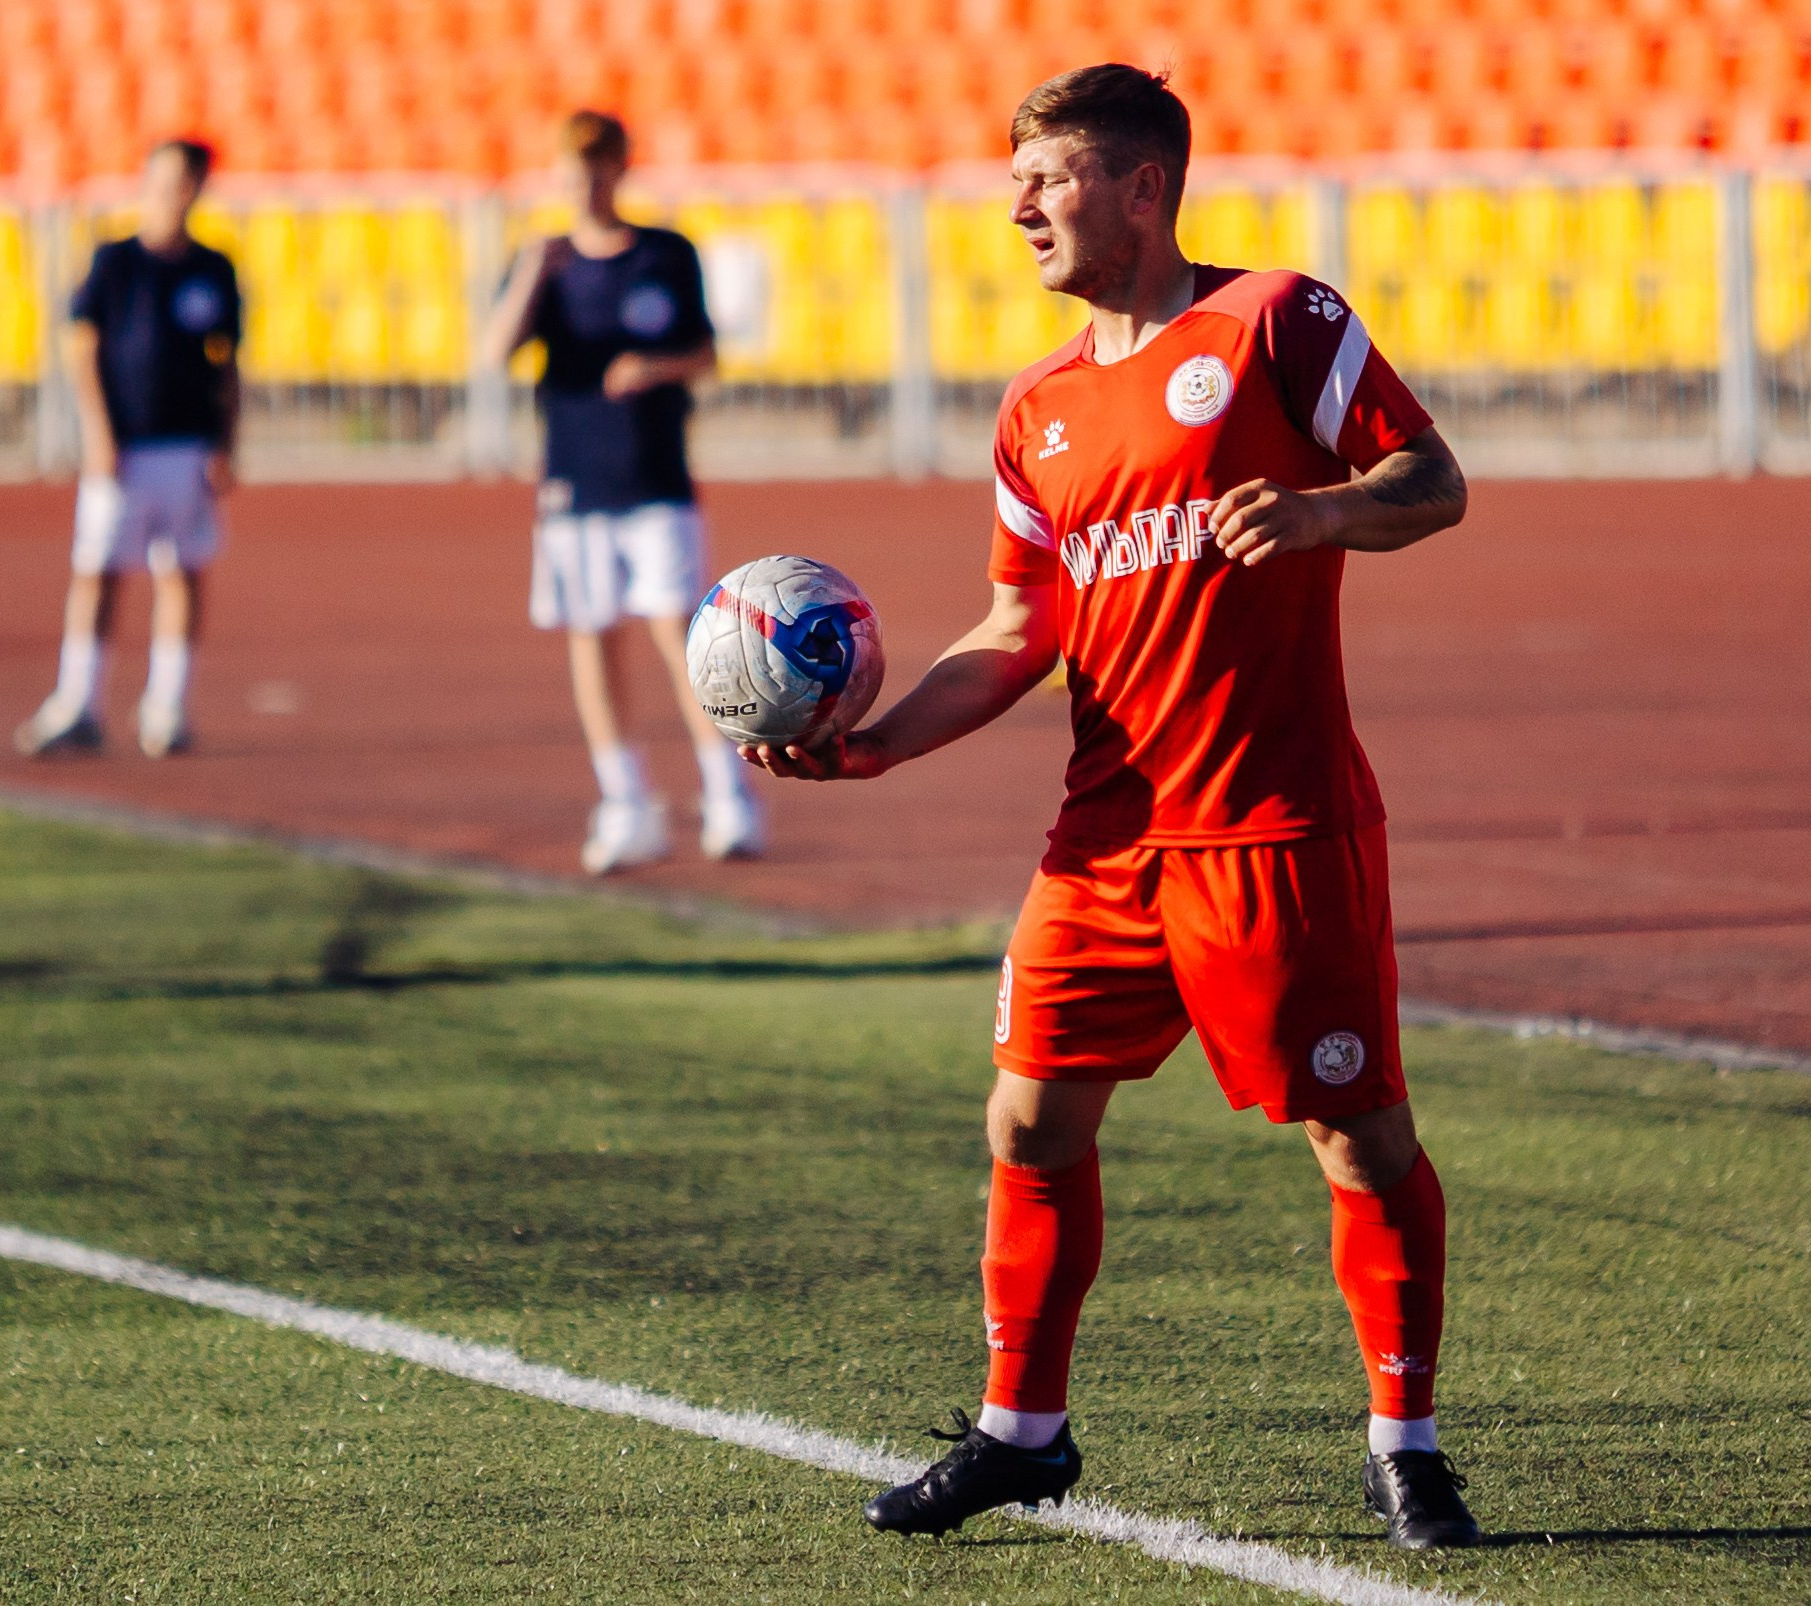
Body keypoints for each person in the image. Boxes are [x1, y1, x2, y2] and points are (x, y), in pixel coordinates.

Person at [749, 66, 1481, 1550]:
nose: (1018, 204)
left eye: (1051, 176)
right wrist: (875, 746)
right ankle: (1023, 1430)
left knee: (1359, 1137)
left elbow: (1433, 477)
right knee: (1027, 1120)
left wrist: (1327, 510)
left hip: (1275, 831)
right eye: (1013, 178)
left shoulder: (1277, 319)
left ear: (1143, 186)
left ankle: (1402, 1441)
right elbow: (1020, 628)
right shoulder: (1039, 412)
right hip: (1106, 842)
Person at [480, 110, 765, 874]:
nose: (586, 185)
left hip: (654, 476)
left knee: (681, 638)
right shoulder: (546, 261)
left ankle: (726, 791)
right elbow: (492, 351)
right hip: (573, 481)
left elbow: (704, 350)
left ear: (619, 170)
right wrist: (531, 275)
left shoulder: (664, 252)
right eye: (573, 172)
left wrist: (654, 368)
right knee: (593, 638)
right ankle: (624, 798)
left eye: (598, 169)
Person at [16, 138, 241, 760]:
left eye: (188, 181)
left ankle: (167, 706)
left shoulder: (213, 268)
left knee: (184, 572)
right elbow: (82, 346)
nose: (176, 192)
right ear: (147, 182)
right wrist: (97, 432)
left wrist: (227, 443)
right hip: (127, 445)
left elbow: (228, 364)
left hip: (187, 444)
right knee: (99, 572)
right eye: (167, 179)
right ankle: (78, 702)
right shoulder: (115, 262)